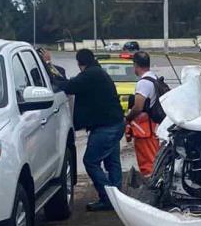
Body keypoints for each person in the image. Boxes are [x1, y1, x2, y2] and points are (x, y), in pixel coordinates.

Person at [56, 49, 124, 211]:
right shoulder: (98, 72)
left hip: (105, 127)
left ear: (80, 64)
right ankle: (119, 200)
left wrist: (51, 72)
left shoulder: (90, 75)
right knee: (112, 162)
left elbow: (68, 86)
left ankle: (109, 199)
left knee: (91, 161)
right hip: (115, 123)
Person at [125, 51, 161, 176]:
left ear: (135, 65)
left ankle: (152, 190)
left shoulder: (143, 83)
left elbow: (138, 107)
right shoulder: (154, 78)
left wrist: (127, 118)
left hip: (145, 130)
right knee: (154, 159)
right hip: (153, 127)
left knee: (147, 163)